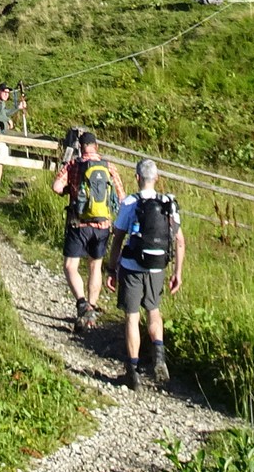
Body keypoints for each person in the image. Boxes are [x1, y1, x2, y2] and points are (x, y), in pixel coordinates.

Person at [111, 158, 185, 386]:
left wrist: (111, 268)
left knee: (132, 317)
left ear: (137, 177)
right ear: (157, 178)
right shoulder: (167, 204)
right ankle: (159, 358)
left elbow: (118, 237)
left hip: (132, 266)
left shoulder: (130, 203)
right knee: (153, 311)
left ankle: (132, 372)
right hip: (157, 266)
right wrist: (177, 272)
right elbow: (180, 241)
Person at [51, 129, 121, 328]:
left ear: (80, 148)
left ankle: (82, 304)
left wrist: (68, 190)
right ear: (96, 146)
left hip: (79, 224)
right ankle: (91, 309)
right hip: (103, 226)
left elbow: (56, 187)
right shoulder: (109, 167)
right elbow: (122, 197)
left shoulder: (74, 164)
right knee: (95, 266)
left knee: (70, 266)